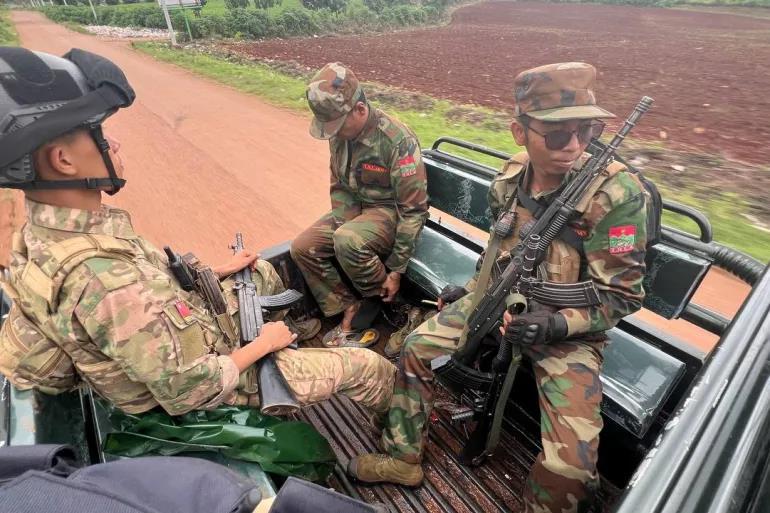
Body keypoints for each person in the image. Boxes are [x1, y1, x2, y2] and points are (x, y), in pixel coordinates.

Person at [0, 47, 396, 420]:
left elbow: (156, 291)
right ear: (63, 160)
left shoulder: (53, 235)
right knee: (371, 366)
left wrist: (221, 270)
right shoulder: (103, 278)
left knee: (261, 273)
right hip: (208, 380)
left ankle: (298, 334)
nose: (114, 143)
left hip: (187, 341)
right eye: (100, 136)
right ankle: (398, 446)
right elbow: (191, 390)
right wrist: (264, 345)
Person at [348, 62, 649, 513]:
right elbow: (501, 250)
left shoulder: (616, 196)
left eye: (585, 132)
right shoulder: (510, 177)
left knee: (571, 468)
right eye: (556, 135)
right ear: (520, 132)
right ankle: (403, 457)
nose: (573, 147)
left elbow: (622, 297)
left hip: (568, 333)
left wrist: (550, 325)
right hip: (496, 299)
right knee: (415, 346)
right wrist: (470, 290)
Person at [290, 63, 429, 349]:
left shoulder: (395, 140)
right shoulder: (341, 136)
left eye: (339, 126)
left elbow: (413, 210)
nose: (335, 134)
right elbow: (339, 187)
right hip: (359, 211)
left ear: (360, 110)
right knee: (303, 247)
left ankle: (397, 308)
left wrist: (395, 270)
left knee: (348, 240)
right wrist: (345, 223)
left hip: (391, 213)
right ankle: (348, 305)